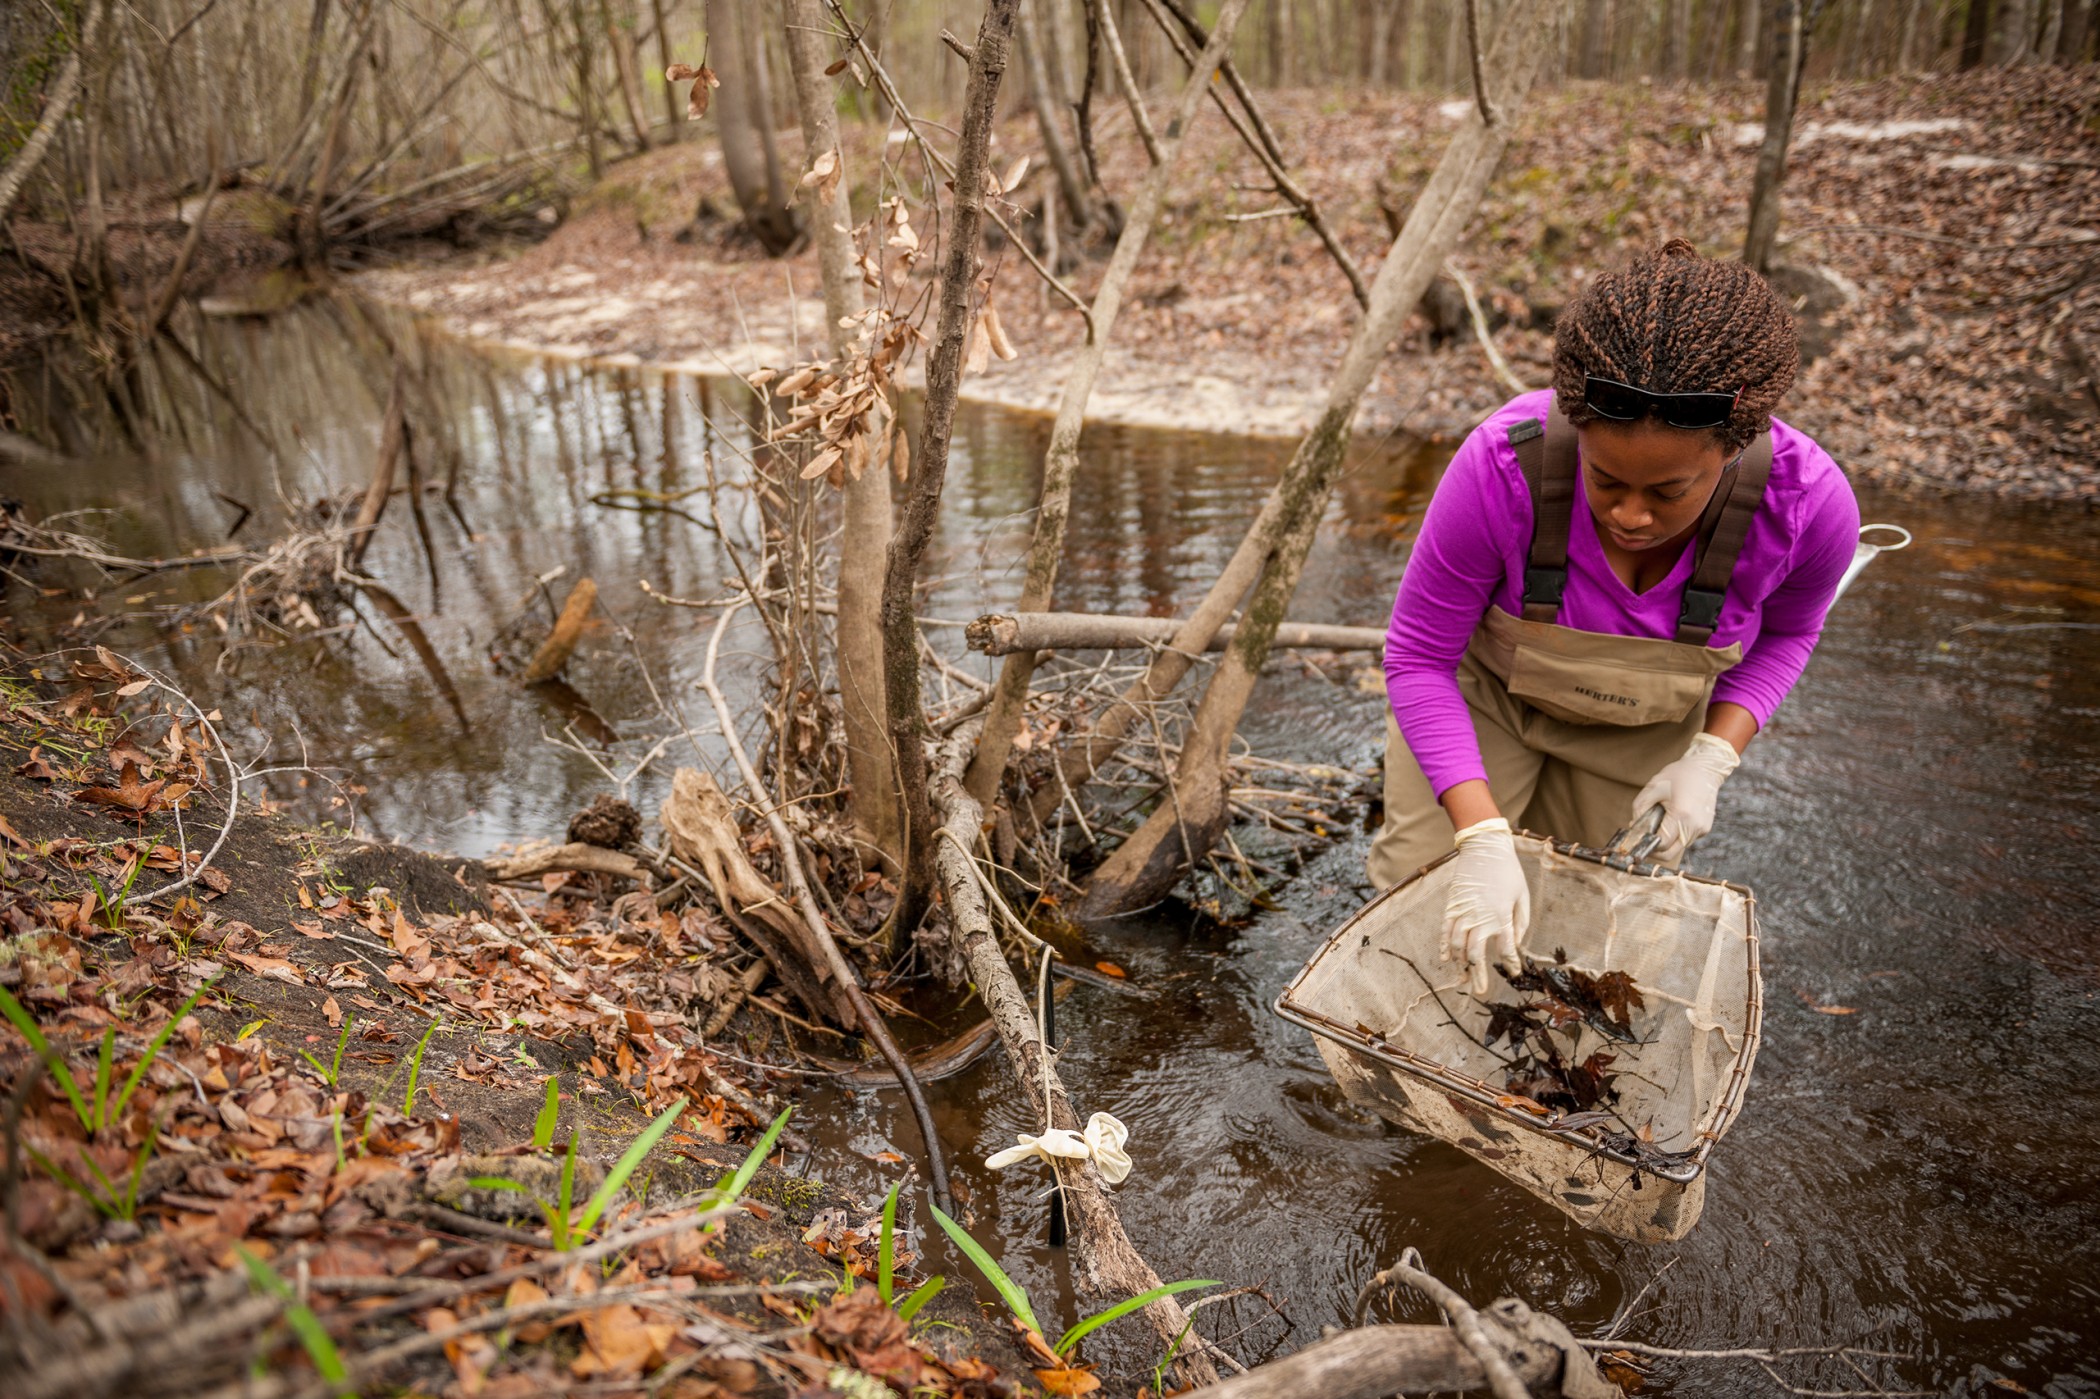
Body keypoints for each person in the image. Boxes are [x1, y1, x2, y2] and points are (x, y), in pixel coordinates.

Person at [1370, 238, 1860, 993]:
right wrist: (1480, 834)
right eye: (1605, 480)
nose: (1631, 516)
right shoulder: (1502, 466)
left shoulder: (1811, 506)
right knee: (1430, 903)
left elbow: (1792, 632)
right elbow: (1417, 659)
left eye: (1669, 491)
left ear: (1732, 450)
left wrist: (1712, 757)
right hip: (1483, 705)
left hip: (1644, 735)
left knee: (1584, 938)